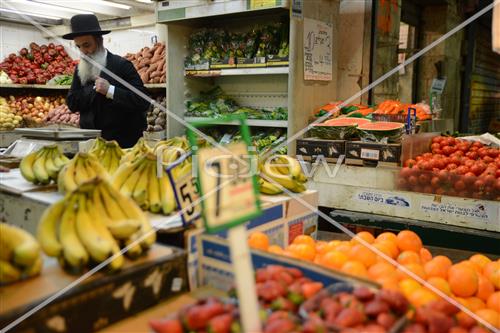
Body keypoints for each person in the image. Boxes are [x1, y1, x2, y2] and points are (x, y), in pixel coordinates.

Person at [64, 14, 149, 148]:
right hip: (90, 143)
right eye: (78, 46)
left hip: (121, 145)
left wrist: (110, 90)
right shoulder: (80, 69)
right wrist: (92, 91)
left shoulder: (122, 65)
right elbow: (72, 103)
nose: (83, 52)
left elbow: (142, 101)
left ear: (99, 41)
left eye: (86, 45)